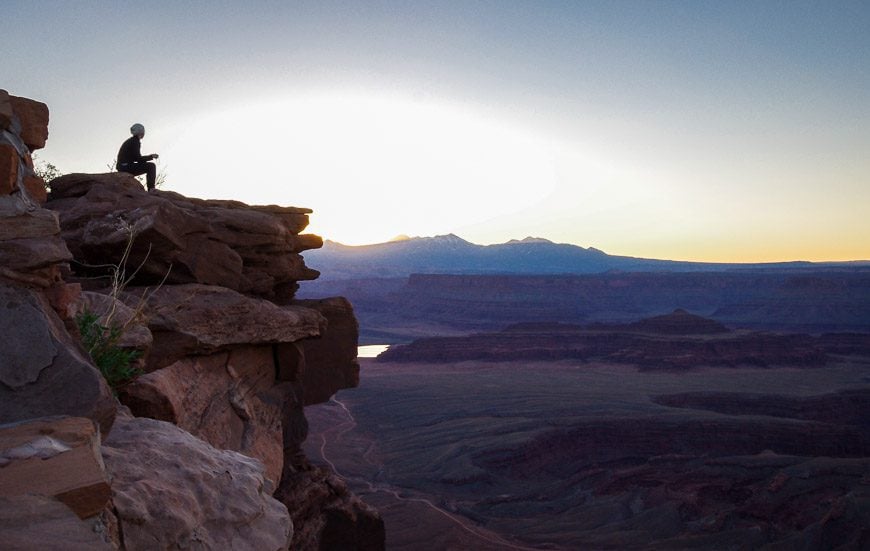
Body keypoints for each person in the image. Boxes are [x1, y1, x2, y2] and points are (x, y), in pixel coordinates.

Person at [117, 123, 159, 190]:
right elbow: (138, 159)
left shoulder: (131, 141)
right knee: (151, 166)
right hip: (126, 167)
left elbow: (135, 158)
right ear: (141, 132)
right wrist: (151, 156)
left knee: (147, 165)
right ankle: (151, 189)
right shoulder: (135, 141)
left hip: (122, 166)